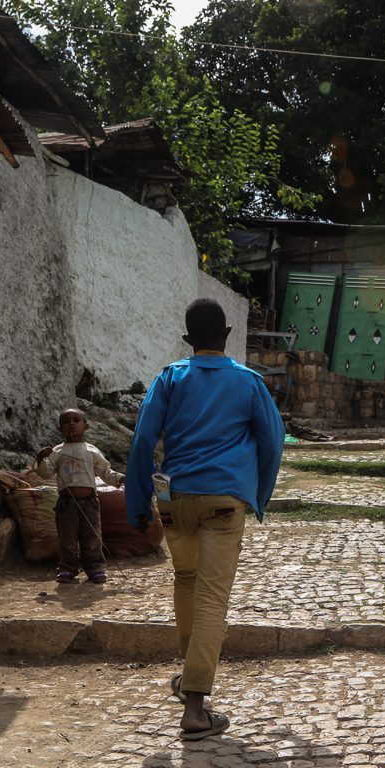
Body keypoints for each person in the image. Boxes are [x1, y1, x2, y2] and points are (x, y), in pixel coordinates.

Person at [125, 298, 283, 741]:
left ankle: (187, 676)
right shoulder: (248, 382)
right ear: (227, 334)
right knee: (212, 597)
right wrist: (256, 496)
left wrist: (138, 504)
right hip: (224, 501)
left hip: (173, 499)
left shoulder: (170, 378)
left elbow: (142, 441)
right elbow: (273, 442)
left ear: (187, 339)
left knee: (186, 580)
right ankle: (195, 708)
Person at [32, 408, 124, 585]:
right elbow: (46, 473)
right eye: (66, 422)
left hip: (90, 502)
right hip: (66, 503)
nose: (71, 424)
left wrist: (121, 479)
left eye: (76, 420)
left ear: (86, 426)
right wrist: (40, 458)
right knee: (68, 539)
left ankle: (95, 569)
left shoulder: (91, 451)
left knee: (92, 537)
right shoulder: (57, 451)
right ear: (60, 429)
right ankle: (67, 569)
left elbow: (105, 472)